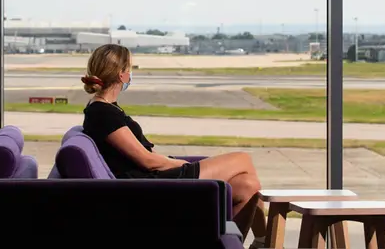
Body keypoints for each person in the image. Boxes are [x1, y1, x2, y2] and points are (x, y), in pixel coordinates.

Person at [81, 43, 267, 243]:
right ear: (121, 75)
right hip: (152, 185)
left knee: (248, 186)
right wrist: (183, 165)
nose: (131, 73)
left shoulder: (107, 108)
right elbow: (147, 161)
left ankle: (247, 244)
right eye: (129, 69)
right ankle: (264, 241)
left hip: (153, 178)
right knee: (242, 159)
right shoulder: (101, 113)